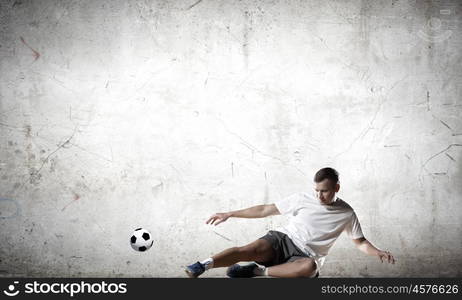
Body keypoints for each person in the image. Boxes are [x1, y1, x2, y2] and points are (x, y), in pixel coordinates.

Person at [185, 167, 395, 278]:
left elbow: (359, 242)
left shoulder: (346, 213)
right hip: (283, 240)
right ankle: (202, 265)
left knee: (310, 268)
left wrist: (377, 251)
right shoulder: (302, 199)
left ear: (337, 188)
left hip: (306, 256)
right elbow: (266, 209)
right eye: (317, 190)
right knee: (251, 248)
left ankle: (255, 271)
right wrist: (230, 213)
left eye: (325, 191)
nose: (319, 196)